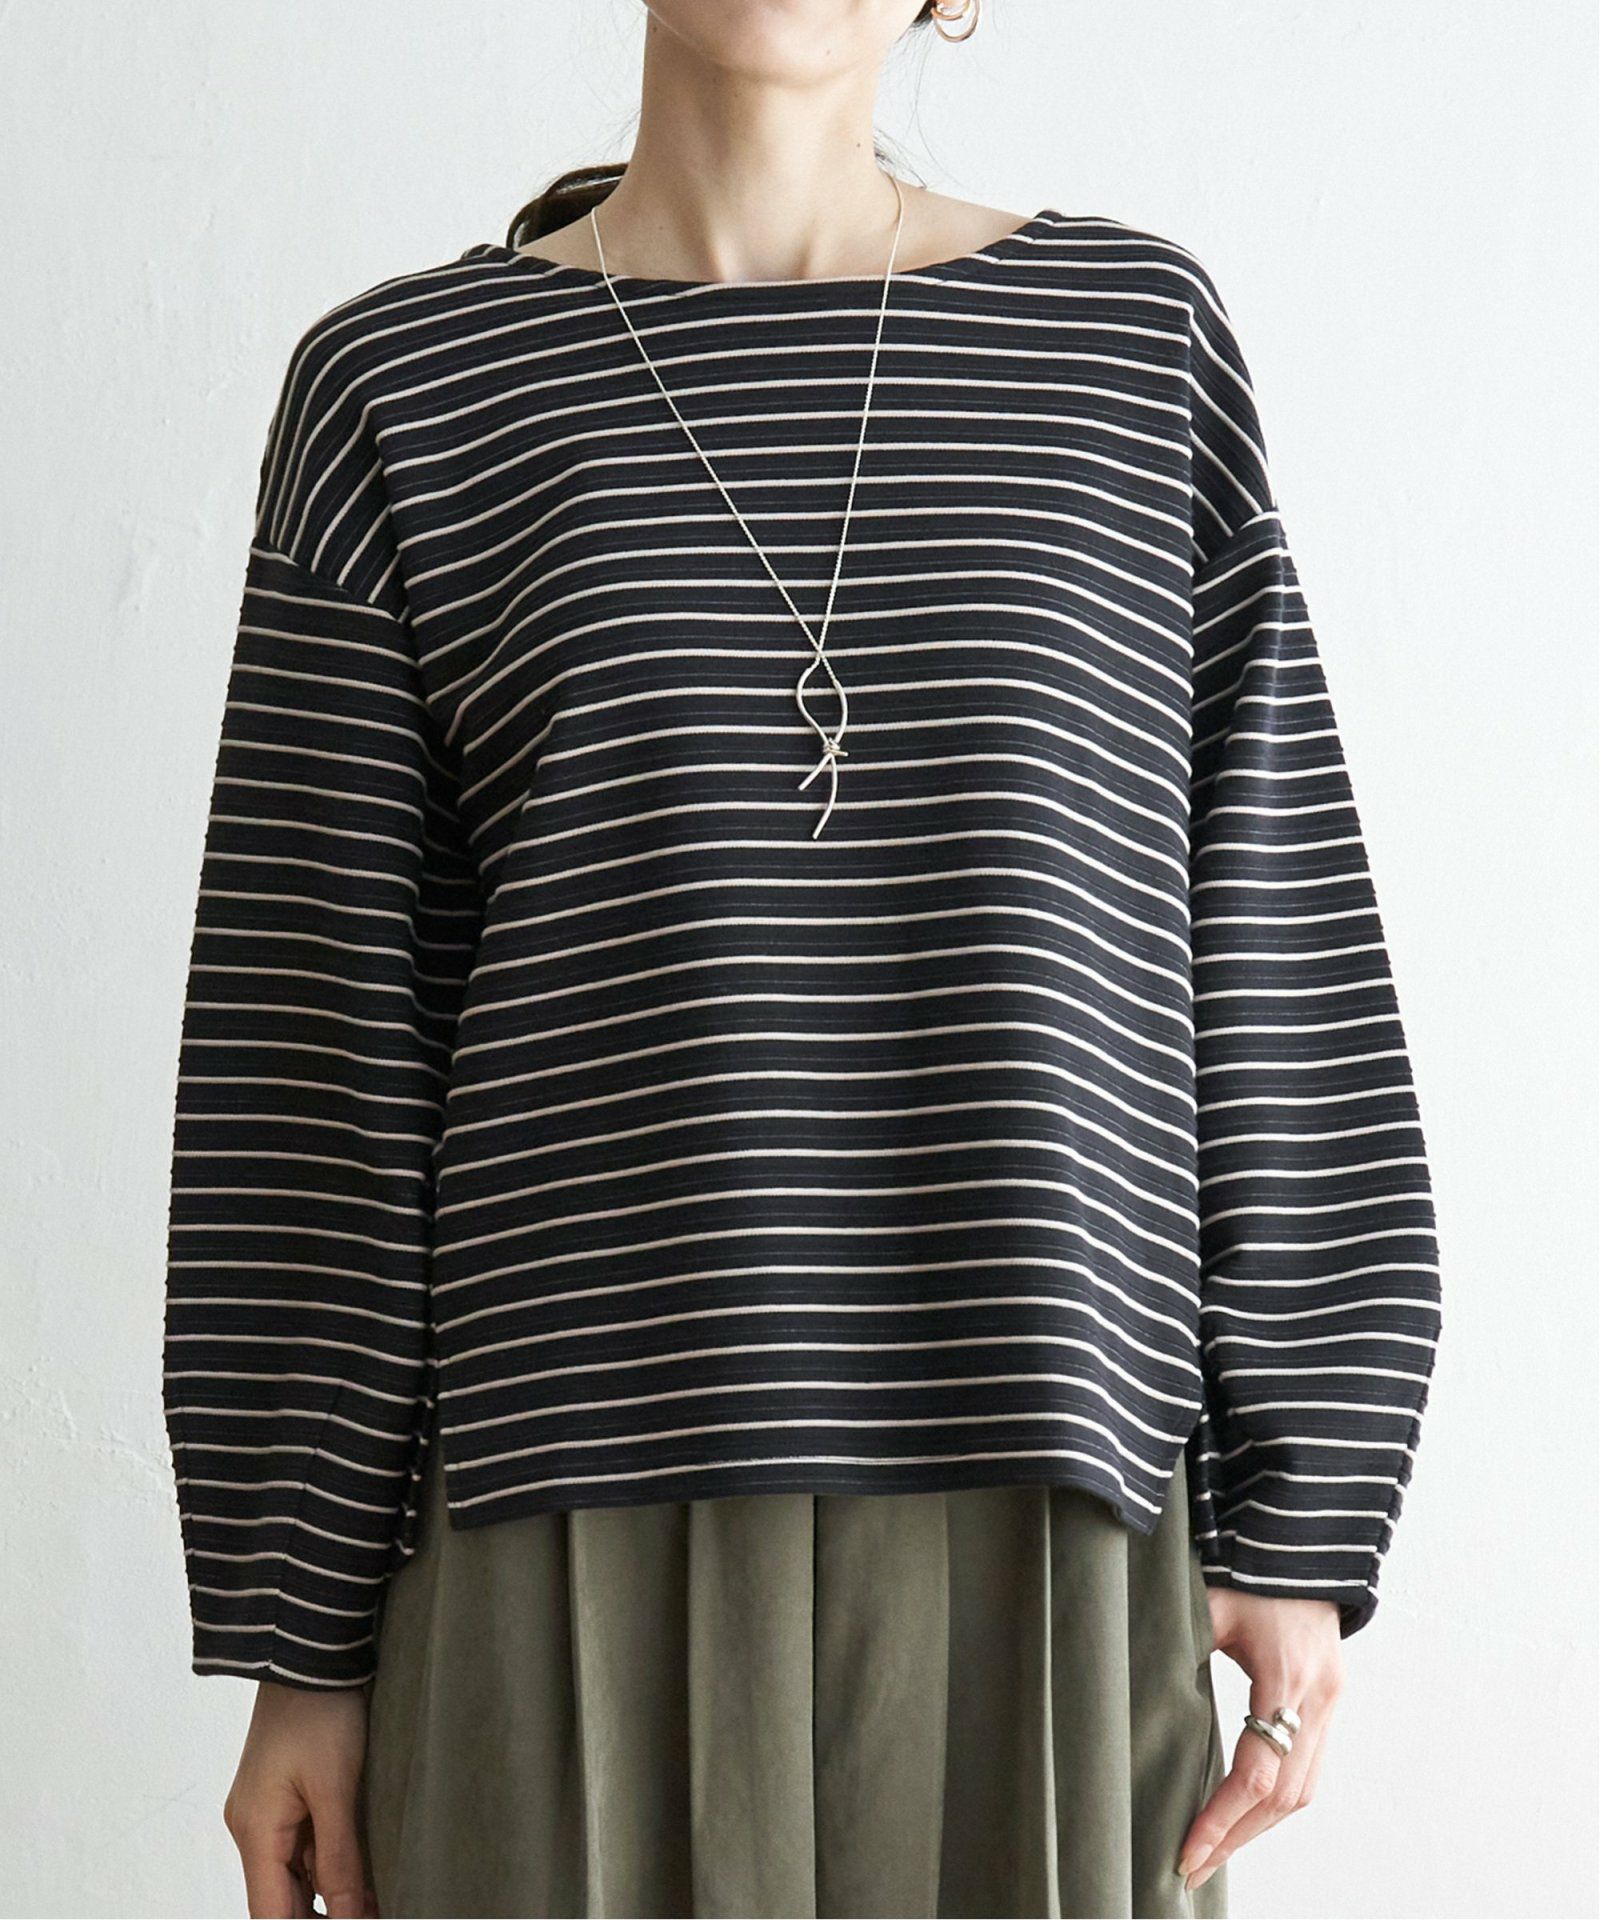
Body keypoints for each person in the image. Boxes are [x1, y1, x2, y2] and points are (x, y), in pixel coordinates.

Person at [162, 2, 1443, 1914]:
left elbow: (1268, 923)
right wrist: (303, 1639)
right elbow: (313, 1049)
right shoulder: (402, 388)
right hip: (552, 1523)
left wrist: (1306, 1506)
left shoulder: (1128, 347)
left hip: (1055, 1505)